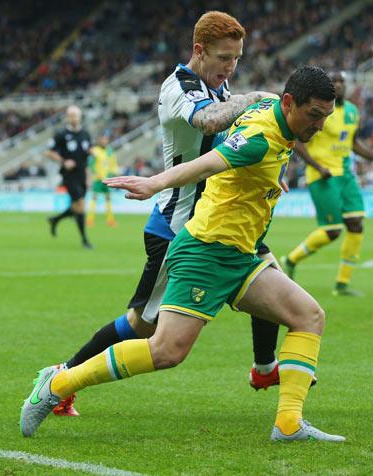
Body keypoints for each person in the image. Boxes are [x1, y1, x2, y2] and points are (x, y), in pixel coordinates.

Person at [20, 66, 344, 442]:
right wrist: (154, 182)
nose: (319, 126)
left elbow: (255, 121)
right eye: (314, 115)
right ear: (290, 103)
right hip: (205, 251)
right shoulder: (259, 138)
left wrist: (272, 176)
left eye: (326, 116)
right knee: (166, 350)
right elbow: (206, 163)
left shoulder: (273, 108)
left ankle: (288, 425)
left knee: (309, 316)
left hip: (240, 254)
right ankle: (57, 383)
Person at [47, 11, 284, 418]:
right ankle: (61, 379)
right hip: (178, 227)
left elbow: (231, 134)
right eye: (225, 58)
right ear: (199, 50)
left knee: (275, 282)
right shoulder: (178, 88)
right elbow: (209, 118)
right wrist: (253, 98)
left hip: (221, 219)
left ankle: (264, 369)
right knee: (143, 325)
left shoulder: (217, 81)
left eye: (237, 59)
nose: (231, 67)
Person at [280, 72, 373, 296]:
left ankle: (342, 284)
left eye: (342, 82)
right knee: (332, 231)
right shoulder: (318, 110)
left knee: (356, 224)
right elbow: (298, 141)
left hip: (345, 175)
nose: (339, 86)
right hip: (323, 175)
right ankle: (290, 260)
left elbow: (352, 143)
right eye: (335, 82)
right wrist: (317, 167)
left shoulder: (352, 111)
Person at [45, 105, 93, 249]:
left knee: (77, 207)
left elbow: (87, 157)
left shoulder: (86, 134)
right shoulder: (61, 134)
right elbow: (48, 152)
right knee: (80, 204)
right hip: (69, 175)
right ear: (67, 117)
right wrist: (63, 161)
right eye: (71, 115)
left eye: (76, 115)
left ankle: (55, 219)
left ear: (80, 117)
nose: (73, 118)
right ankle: (85, 240)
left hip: (82, 174)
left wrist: (89, 175)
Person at [86, 133, 118, 227]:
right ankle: (90, 220)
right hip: (98, 179)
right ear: (99, 141)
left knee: (108, 198)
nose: (104, 141)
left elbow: (112, 164)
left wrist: (114, 173)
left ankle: (110, 220)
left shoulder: (110, 151)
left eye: (106, 139)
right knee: (94, 198)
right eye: (102, 139)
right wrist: (96, 174)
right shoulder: (95, 151)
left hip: (108, 179)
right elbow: (91, 164)